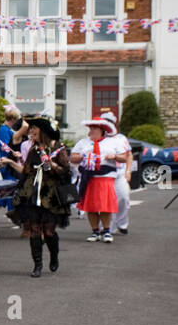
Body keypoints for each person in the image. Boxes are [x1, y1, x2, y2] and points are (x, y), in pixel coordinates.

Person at [10, 116, 71, 277]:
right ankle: (37, 265)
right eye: (30, 129)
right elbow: (27, 170)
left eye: (33, 129)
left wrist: (53, 164)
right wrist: (10, 163)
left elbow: (66, 171)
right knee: (34, 230)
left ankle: (54, 256)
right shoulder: (34, 149)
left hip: (50, 196)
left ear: (42, 131)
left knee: (49, 231)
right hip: (33, 193)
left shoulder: (57, 148)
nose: (30, 132)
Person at [70, 115, 127, 243]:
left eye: (95, 128)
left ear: (102, 129)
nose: (91, 130)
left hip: (105, 177)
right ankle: (95, 231)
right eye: (91, 128)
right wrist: (83, 156)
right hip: (88, 178)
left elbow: (124, 157)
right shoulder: (83, 143)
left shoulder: (113, 142)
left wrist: (114, 156)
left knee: (105, 206)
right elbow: (72, 158)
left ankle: (106, 231)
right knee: (91, 206)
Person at [100, 111, 132, 236]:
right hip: (104, 173)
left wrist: (128, 171)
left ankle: (122, 223)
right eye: (105, 122)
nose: (108, 125)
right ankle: (108, 227)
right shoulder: (99, 139)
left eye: (110, 122)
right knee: (106, 201)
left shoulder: (121, 138)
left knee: (123, 198)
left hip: (120, 172)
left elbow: (129, 155)